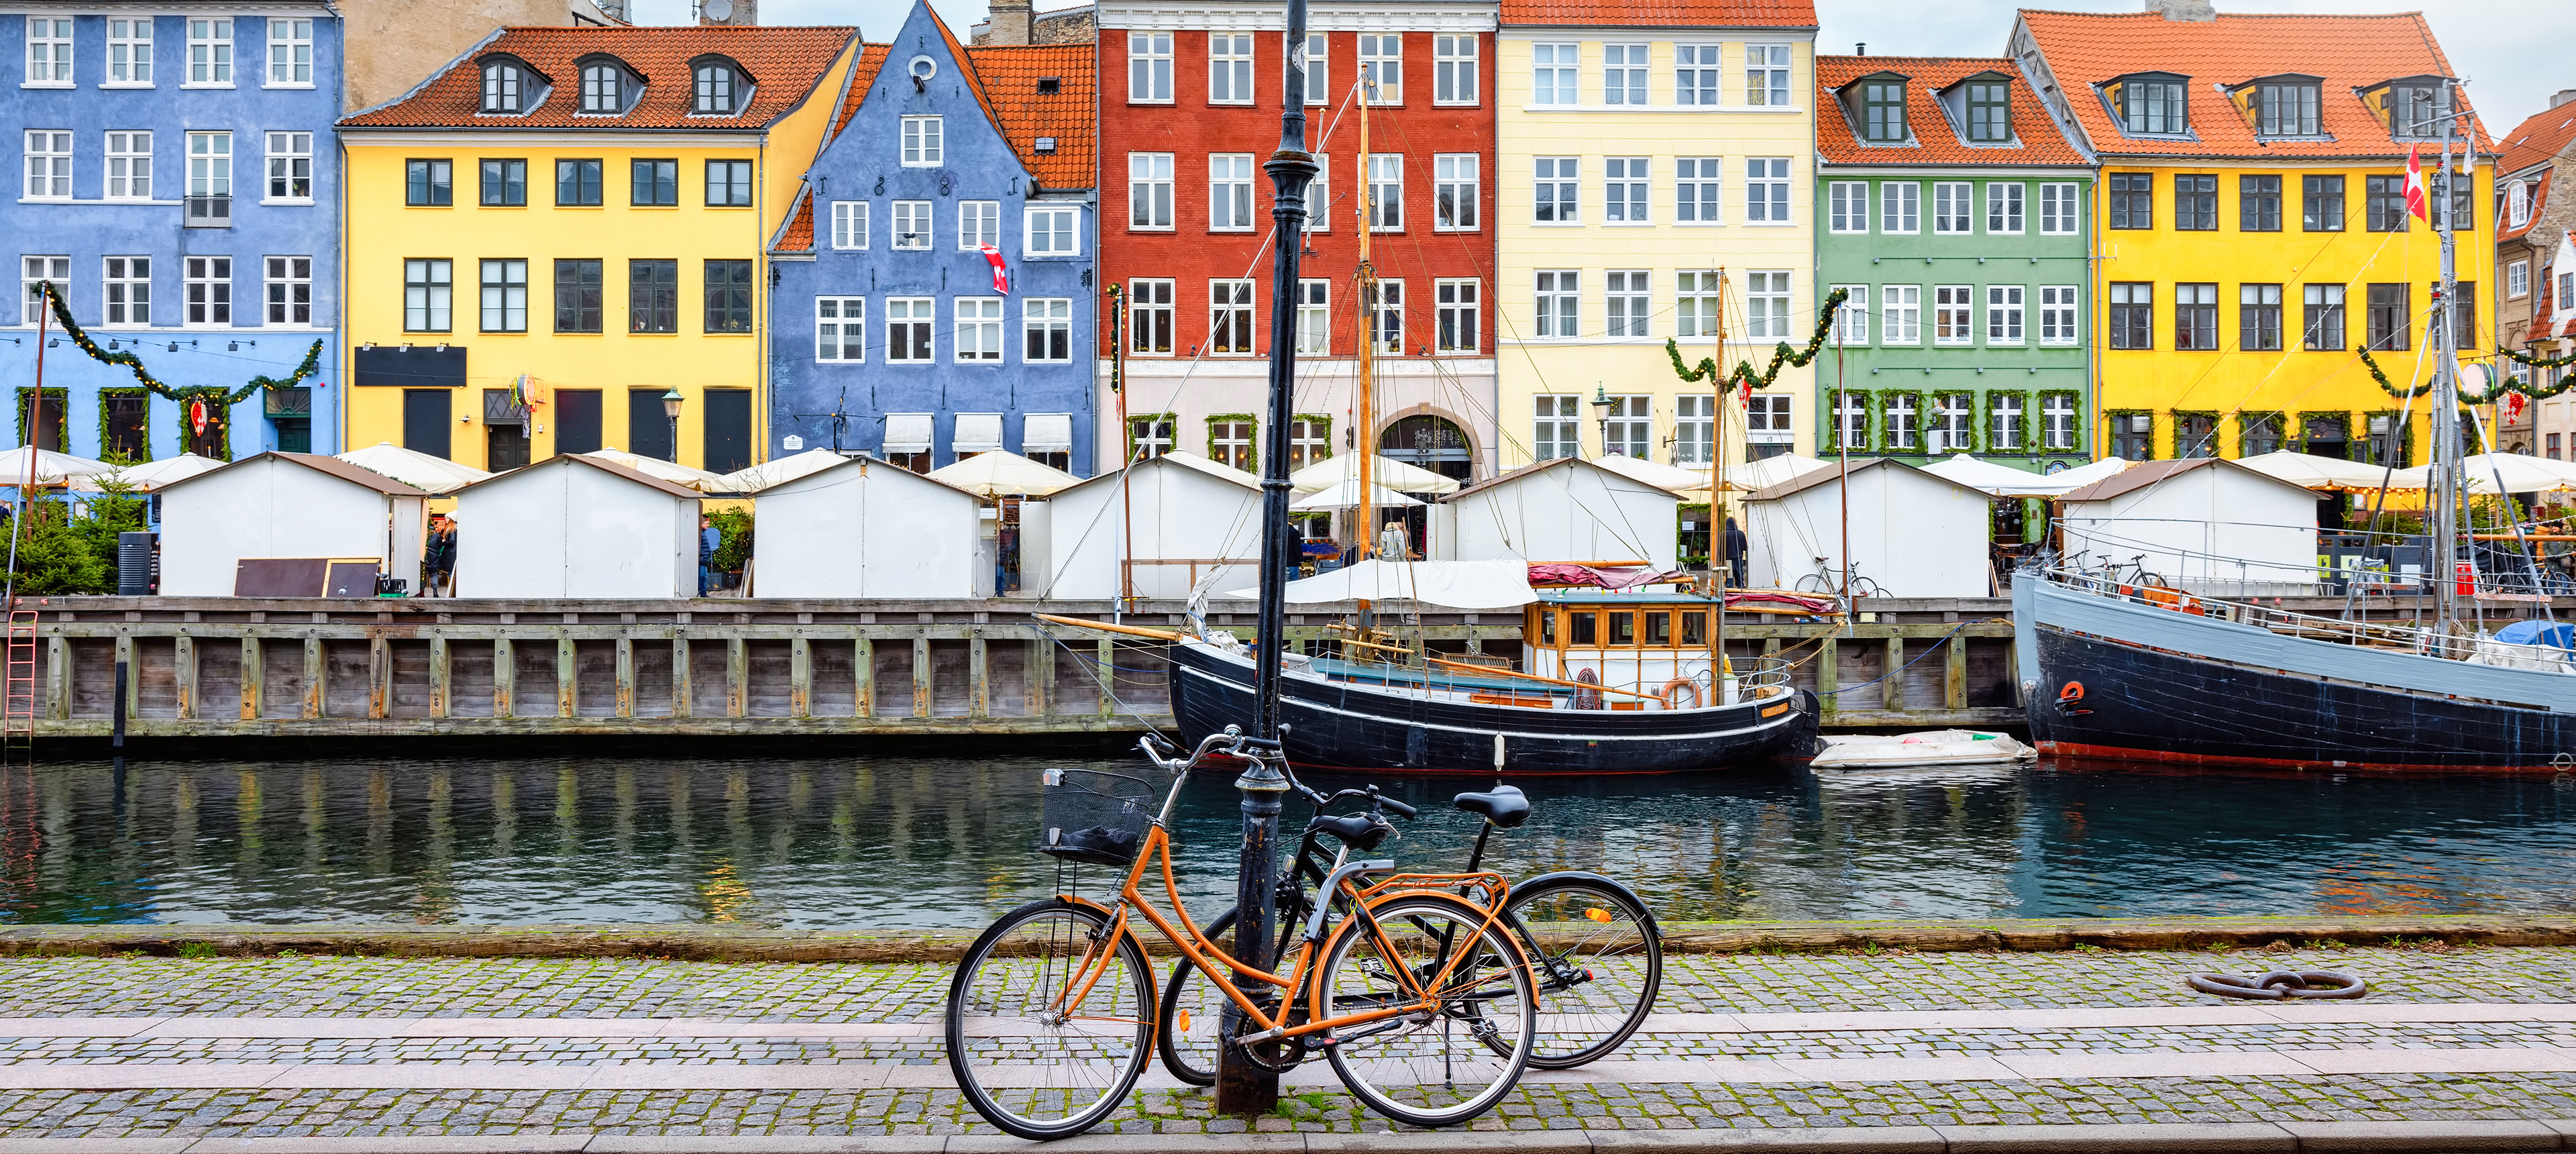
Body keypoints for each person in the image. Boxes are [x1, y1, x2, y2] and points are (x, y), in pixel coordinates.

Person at [422, 515, 457, 597]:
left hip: (424, 557)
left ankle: (421, 591)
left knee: (422, 575)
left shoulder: (423, 534)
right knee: (434, 574)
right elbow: (440, 545)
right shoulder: (437, 535)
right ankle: (435, 590)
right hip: (434, 558)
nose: (446, 520)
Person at [1722, 515, 1749, 590]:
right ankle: (1742, 596)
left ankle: (1730, 596)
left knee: (1729, 581)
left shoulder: (1723, 534)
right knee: (1740, 580)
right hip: (1738, 559)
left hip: (1727, 560)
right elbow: (1745, 548)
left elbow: (1720, 550)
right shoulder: (1741, 534)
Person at [698, 514, 721, 596]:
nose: (708, 525)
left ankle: (702, 593)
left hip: (702, 559)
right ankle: (703, 593)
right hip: (702, 560)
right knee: (703, 576)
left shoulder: (702, 533)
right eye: (707, 523)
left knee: (703, 576)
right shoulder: (701, 534)